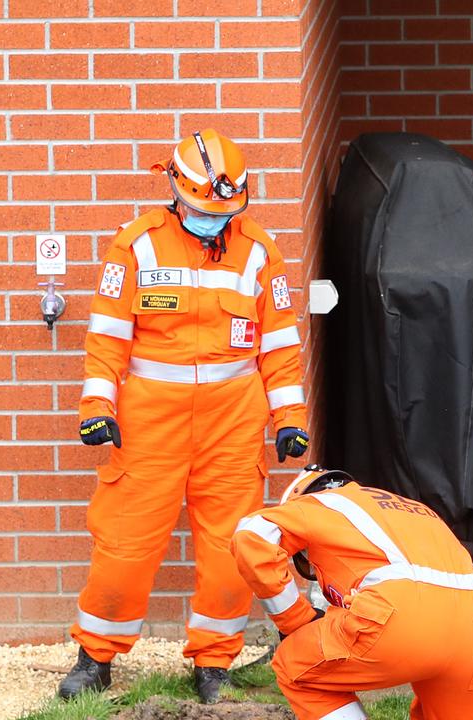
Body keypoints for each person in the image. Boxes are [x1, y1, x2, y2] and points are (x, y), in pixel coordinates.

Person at [58, 129, 312, 703]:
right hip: (151, 425)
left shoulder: (258, 251)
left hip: (232, 425)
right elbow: (107, 340)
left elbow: (279, 346)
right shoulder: (137, 246)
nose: (213, 220)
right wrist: (98, 406)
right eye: (202, 210)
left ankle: (213, 665)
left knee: (230, 550)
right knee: (124, 544)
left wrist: (289, 417)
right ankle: (95, 658)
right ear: (175, 190)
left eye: (224, 211)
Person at [230, 465, 473, 720]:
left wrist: (294, 620)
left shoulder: (320, 503)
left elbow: (252, 534)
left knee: (296, 664)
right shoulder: (410, 508)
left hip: (403, 617)